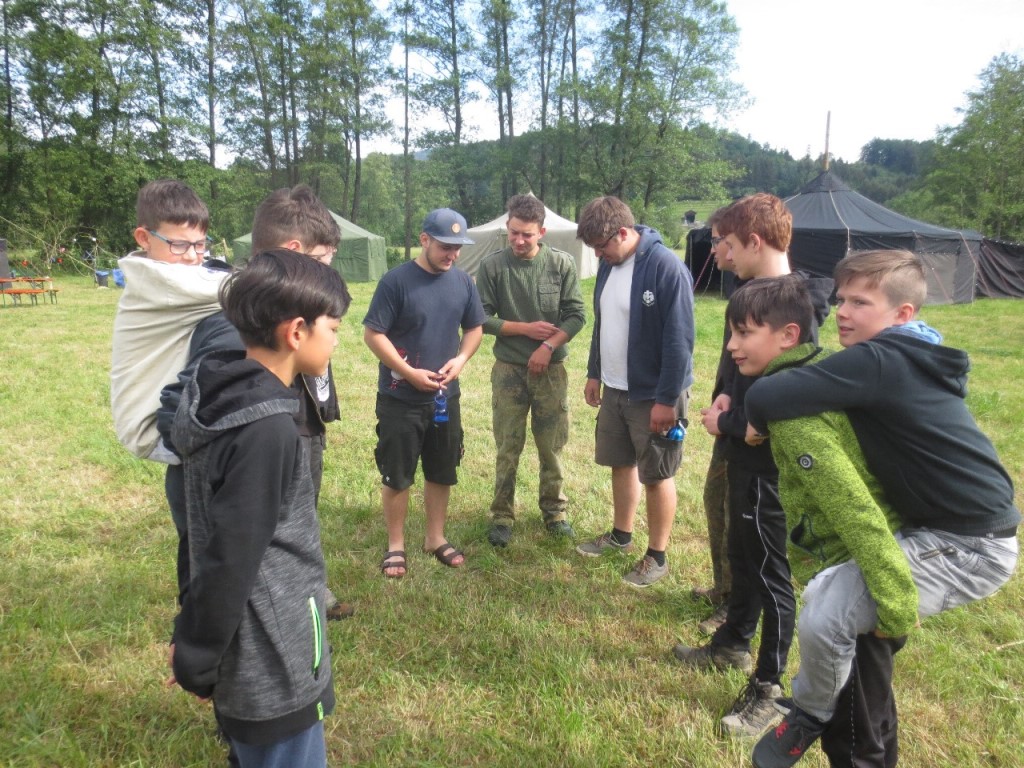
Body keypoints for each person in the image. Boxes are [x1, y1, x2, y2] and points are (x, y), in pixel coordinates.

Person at [744, 250, 1020, 768]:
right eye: (842, 299)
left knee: (827, 612)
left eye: (861, 302)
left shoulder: (878, 360)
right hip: (946, 528)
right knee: (843, 613)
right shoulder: (910, 356)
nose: (843, 312)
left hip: (969, 544)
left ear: (902, 315)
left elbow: (769, 395)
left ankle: (810, 713)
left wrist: (753, 419)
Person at [169, 249, 348, 767]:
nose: (337, 340)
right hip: (272, 658)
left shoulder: (217, 394)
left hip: (246, 650)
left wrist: (191, 633)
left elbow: (200, 531)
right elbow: (232, 554)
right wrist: (198, 654)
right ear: (297, 331)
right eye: (333, 328)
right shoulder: (268, 429)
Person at [674, 193, 833, 739]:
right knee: (742, 556)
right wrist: (724, 397)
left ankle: (769, 688)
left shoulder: (795, 310)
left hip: (768, 467)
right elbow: (740, 374)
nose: (721, 252)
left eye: (728, 243)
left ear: (756, 241)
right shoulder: (751, 299)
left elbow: (782, 404)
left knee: (771, 575)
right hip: (740, 452)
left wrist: (732, 420)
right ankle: (731, 644)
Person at [158, 185, 354, 621]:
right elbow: (188, 405)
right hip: (270, 451)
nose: (327, 273)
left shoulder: (286, 309)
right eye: (322, 261)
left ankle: (303, 589)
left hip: (295, 435)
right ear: (294, 253)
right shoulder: (237, 324)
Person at [110, 179, 222, 606]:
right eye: (179, 245)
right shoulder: (159, 278)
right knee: (205, 541)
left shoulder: (173, 269)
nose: (192, 256)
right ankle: (201, 616)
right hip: (154, 426)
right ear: (144, 237)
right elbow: (245, 290)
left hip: (173, 418)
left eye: (200, 244)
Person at [574, 196, 694, 588]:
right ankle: (620, 535)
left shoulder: (665, 267)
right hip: (615, 388)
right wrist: (595, 372)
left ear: (623, 233)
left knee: (657, 473)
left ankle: (657, 556)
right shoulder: (609, 267)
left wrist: (666, 399)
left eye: (601, 246)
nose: (598, 254)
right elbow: (602, 323)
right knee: (620, 462)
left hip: (654, 394)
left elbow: (680, 340)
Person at [363, 208, 485, 578]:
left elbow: (475, 328)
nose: (453, 254)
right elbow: (373, 334)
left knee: (442, 469)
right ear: (424, 240)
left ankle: (435, 537)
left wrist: (461, 359)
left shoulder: (463, 282)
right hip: (400, 397)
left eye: (458, 248)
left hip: (445, 398)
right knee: (397, 473)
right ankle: (395, 544)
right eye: (446, 246)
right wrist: (408, 373)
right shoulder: (396, 282)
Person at [476, 194, 587, 548]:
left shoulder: (561, 264)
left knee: (551, 445)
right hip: (508, 369)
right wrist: (524, 329)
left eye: (527, 234)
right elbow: (480, 317)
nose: (519, 240)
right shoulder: (493, 267)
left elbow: (576, 315)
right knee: (508, 445)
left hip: (550, 371)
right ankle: (502, 515)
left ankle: (555, 512)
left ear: (542, 232)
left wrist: (547, 346)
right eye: (514, 233)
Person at [691, 205, 735, 634]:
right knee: (716, 502)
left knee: (739, 519)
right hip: (728, 420)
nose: (714, 248)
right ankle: (724, 588)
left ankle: (737, 605)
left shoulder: (782, 298)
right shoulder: (743, 290)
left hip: (749, 429)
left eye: (720, 240)